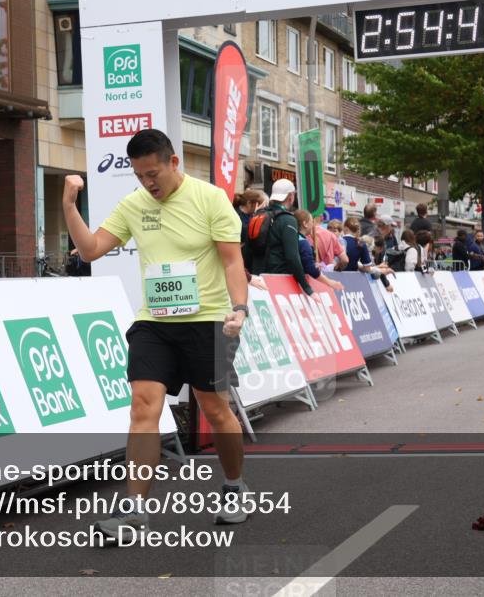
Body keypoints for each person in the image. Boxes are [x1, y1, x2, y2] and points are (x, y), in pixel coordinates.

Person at [60, 129, 250, 540]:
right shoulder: (134, 205)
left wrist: (239, 309)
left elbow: (233, 262)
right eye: (139, 175)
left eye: (153, 173)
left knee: (214, 408)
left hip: (211, 319)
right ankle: (135, 512)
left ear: (173, 162)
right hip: (155, 322)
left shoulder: (210, 198)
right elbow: (91, 249)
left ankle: (234, 487)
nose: (148, 183)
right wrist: (70, 205)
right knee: (143, 406)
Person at [244, 178, 312, 295]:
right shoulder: (288, 219)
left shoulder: (258, 215)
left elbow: (246, 251)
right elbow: (292, 257)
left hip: (256, 279)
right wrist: (307, 288)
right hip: (279, 282)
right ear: (291, 196)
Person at [294, 210, 344, 291]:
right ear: (305, 224)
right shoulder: (303, 243)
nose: (313, 225)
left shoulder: (293, 239)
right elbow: (311, 269)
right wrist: (330, 282)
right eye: (311, 222)